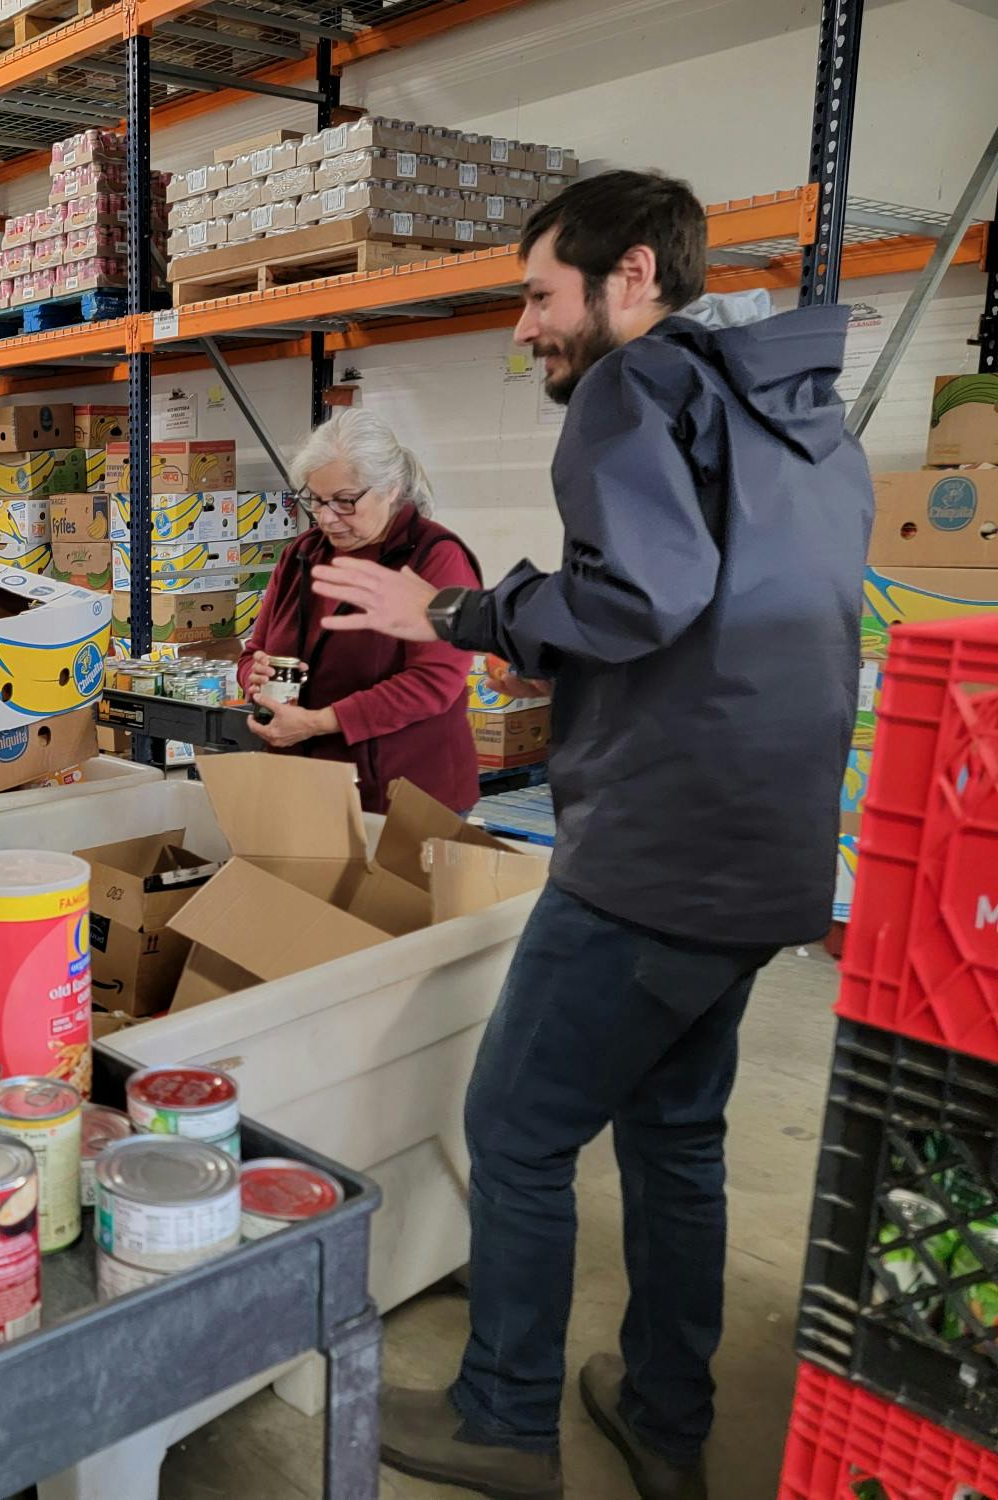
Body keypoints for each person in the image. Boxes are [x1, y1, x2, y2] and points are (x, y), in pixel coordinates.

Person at [313, 170, 871, 1500]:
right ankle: (665, 1416)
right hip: (768, 855)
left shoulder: (638, 390)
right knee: (676, 1134)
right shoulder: (802, 417)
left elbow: (641, 598)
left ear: (634, 278)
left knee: (515, 1124)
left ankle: (506, 1418)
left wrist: (456, 617)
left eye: (540, 294)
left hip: (655, 859)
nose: (524, 329)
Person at [238, 407, 482, 812]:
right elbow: (254, 651)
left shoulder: (435, 559)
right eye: (315, 501)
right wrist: (255, 675)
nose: (327, 517)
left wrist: (318, 723)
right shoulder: (301, 555)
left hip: (405, 795)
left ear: (390, 488)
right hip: (306, 786)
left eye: (345, 501)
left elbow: (434, 682)